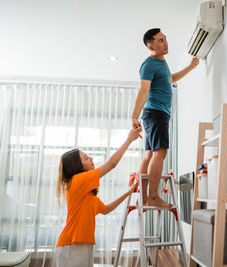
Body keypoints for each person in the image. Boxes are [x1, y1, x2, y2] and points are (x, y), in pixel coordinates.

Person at [55, 127, 142, 267]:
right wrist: (129, 140)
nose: (91, 158)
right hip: (72, 245)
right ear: (77, 166)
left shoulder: (86, 193)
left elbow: (106, 209)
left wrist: (128, 193)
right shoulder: (77, 181)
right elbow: (111, 164)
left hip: (82, 244)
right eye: (86, 158)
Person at [131, 28, 199, 208]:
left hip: (154, 114)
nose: (165, 43)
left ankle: (144, 198)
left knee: (149, 155)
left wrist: (190, 67)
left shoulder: (162, 63)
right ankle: (153, 197)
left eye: (165, 39)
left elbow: (171, 78)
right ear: (150, 45)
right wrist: (134, 116)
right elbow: (143, 90)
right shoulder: (149, 65)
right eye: (160, 40)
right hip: (156, 113)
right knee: (160, 152)